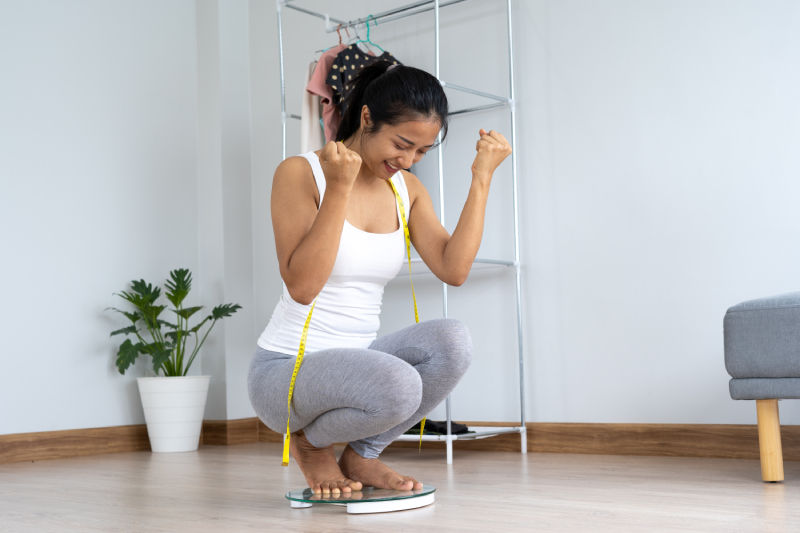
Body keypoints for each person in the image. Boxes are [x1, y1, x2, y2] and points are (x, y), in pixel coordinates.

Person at [247, 61, 512, 495]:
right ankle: (312, 446)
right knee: (400, 383)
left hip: (359, 366)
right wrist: (339, 188)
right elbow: (302, 287)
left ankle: (360, 454)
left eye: (422, 152)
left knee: (453, 341)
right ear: (367, 117)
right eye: (402, 144)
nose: (407, 161)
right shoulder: (301, 173)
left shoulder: (406, 188)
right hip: (285, 375)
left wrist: (481, 179)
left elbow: (454, 269)